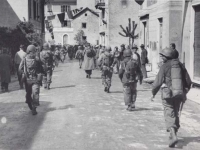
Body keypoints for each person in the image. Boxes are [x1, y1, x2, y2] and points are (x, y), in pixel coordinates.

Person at [151, 47, 192, 147]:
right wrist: (185, 91)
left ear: (167, 57)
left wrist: (153, 93)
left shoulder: (164, 66)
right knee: (176, 111)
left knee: (169, 111)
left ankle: (173, 133)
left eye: (163, 56)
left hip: (167, 93)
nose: (161, 58)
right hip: (178, 93)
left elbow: (158, 82)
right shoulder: (181, 66)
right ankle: (174, 132)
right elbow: (188, 81)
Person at [19, 45, 44, 115]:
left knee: (29, 93)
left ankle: (32, 106)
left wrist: (23, 74)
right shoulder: (37, 59)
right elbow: (41, 68)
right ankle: (33, 107)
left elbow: (19, 69)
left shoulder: (25, 59)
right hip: (34, 79)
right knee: (35, 93)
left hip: (28, 80)